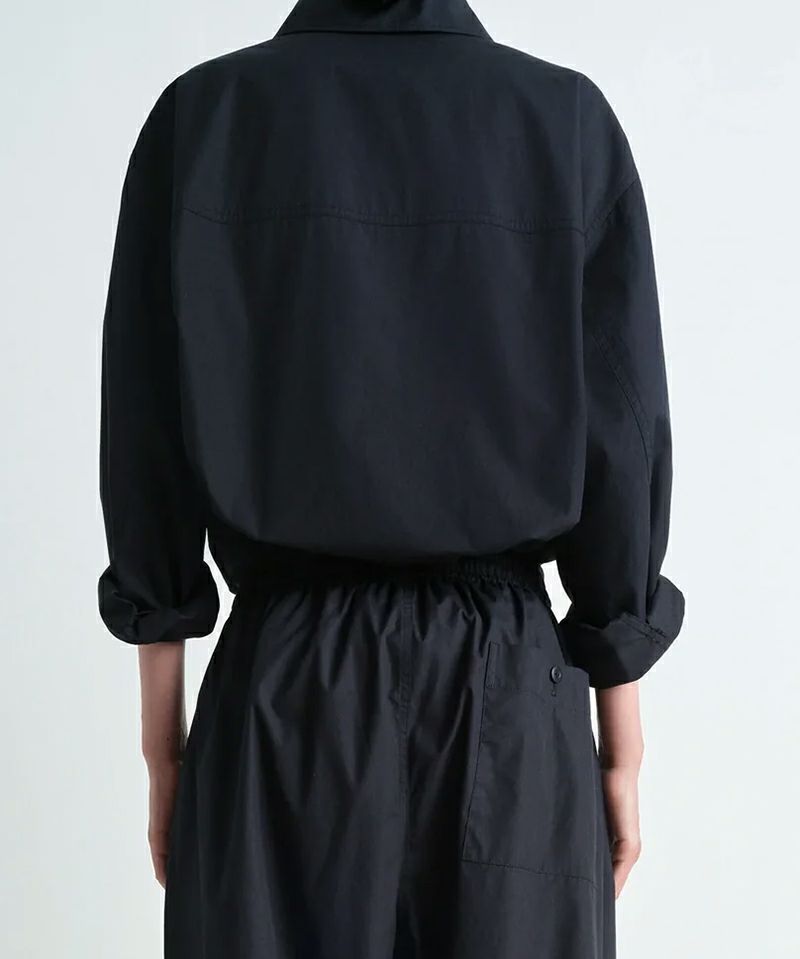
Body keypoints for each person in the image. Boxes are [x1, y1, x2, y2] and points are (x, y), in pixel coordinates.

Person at [97, 1, 685, 956]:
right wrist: (622, 736)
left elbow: (144, 435)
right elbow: (623, 430)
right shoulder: (562, 121)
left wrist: (162, 747)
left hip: (283, 687)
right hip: (507, 692)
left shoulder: (205, 117)